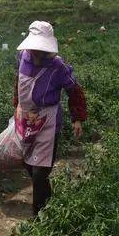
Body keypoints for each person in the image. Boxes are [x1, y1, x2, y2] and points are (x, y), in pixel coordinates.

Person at [14, 21, 87, 216]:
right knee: (29, 164)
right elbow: (19, 83)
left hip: (47, 122)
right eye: (34, 48)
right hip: (25, 118)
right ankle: (48, 200)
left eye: (40, 49)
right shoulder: (22, 57)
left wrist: (77, 118)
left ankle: (39, 217)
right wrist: (17, 107)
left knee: (40, 171)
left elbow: (75, 91)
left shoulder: (57, 66)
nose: (36, 53)